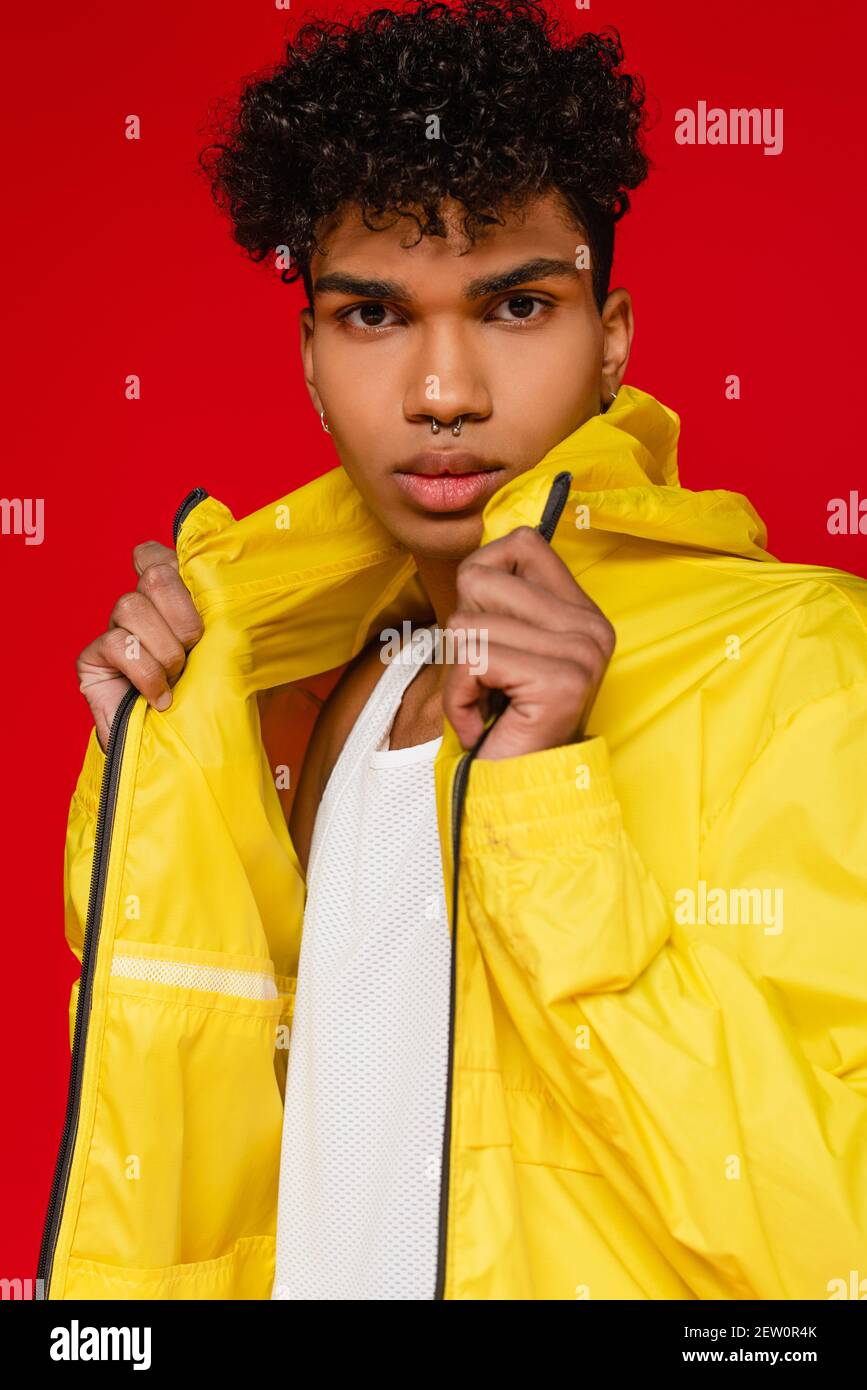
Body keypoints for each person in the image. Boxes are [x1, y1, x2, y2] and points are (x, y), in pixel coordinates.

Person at [43, 0, 867, 1301]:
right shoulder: (298, 690)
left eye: (517, 305)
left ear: (614, 339)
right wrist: (160, 773)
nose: (443, 392)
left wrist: (550, 807)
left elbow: (830, 1248)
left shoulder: (804, 667)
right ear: (311, 356)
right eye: (374, 316)